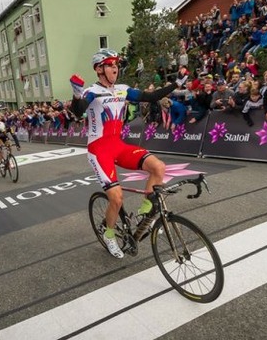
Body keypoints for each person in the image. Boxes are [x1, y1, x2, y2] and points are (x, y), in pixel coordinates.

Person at [69, 48, 189, 259]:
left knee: (158, 167)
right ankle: (108, 234)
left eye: (116, 64)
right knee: (116, 198)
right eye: (110, 64)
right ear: (99, 69)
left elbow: (151, 97)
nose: (115, 68)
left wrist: (176, 84)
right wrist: (76, 95)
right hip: (99, 150)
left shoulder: (123, 89)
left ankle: (145, 213)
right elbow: (78, 111)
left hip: (118, 145)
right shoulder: (91, 92)